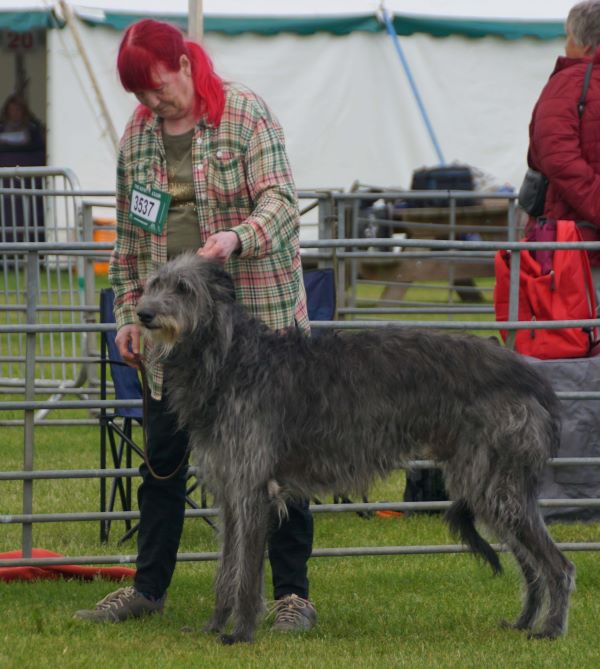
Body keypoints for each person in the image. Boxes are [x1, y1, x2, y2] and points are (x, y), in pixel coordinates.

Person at [74, 18, 316, 632]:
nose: (153, 103)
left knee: (278, 465)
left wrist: (238, 237)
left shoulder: (244, 113)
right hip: (170, 326)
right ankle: (146, 588)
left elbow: (284, 204)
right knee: (162, 459)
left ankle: (292, 595)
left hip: (254, 323)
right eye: (141, 95)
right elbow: (131, 237)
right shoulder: (140, 136)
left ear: (184, 64)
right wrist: (132, 311)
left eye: (159, 88)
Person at [526, 0, 600, 289]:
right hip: (581, 242)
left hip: (577, 245)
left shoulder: (567, 83)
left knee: (574, 330)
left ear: (582, 42)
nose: (566, 45)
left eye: (568, 36)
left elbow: (558, 159)